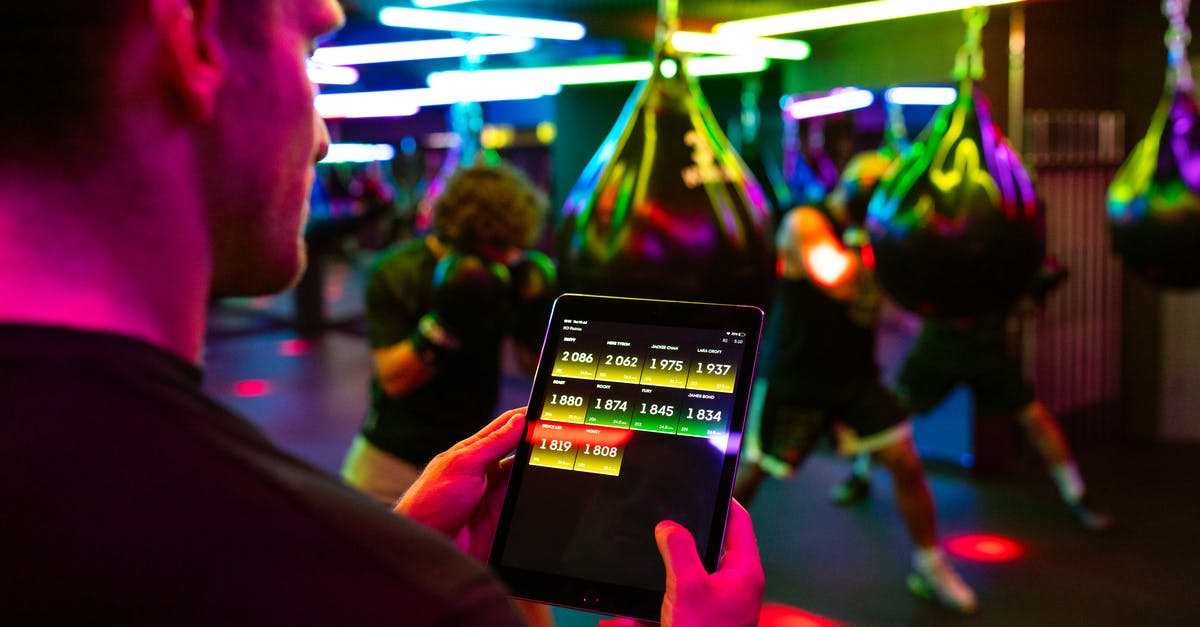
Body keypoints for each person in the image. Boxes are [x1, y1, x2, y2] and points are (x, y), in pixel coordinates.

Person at [0, 2, 763, 624]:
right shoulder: (368, 586)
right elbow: (397, 379)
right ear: (194, 36)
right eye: (307, 53)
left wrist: (398, 545)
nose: (328, 136)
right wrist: (399, 576)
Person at [734, 154, 978, 614]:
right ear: (858, 187)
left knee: (905, 461)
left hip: (853, 378)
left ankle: (929, 565)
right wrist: (896, 249)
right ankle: (700, 557)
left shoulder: (878, 235)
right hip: (796, 375)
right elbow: (839, 279)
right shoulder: (805, 222)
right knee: (753, 473)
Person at [830, 259, 1114, 532]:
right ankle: (860, 476)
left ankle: (1076, 494)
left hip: (986, 344)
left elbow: (1024, 303)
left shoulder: (1001, 244)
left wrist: (1033, 292)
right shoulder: (940, 239)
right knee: (891, 414)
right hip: (938, 346)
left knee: (1034, 416)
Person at [341, 161, 554, 502]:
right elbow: (394, 379)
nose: (509, 256)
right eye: (500, 246)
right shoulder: (398, 271)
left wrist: (536, 317)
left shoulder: (506, 274)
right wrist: (447, 320)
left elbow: (533, 366)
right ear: (468, 233)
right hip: (393, 460)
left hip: (470, 455)